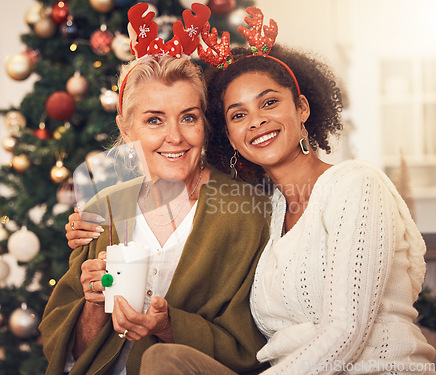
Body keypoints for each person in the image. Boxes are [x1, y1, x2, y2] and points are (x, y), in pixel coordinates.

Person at [138, 7, 436, 374]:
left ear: (302, 107)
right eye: (238, 114)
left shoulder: (356, 184)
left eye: (269, 102)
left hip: (371, 368)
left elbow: (347, 332)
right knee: (164, 360)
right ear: (230, 137)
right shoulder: (269, 212)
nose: (257, 120)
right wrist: (96, 222)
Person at [39, 5, 272, 374]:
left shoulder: (247, 213)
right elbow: (68, 353)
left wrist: (168, 326)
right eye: (154, 120)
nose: (175, 137)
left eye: (188, 118)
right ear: (127, 129)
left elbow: (255, 346)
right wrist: (93, 305)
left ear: (204, 124)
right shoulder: (105, 209)